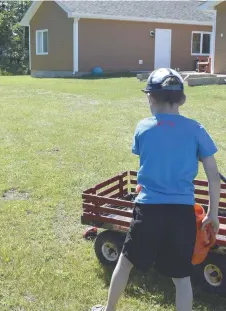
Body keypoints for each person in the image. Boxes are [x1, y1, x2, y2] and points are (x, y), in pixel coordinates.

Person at [92, 68, 220, 311]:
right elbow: (214, 177)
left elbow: (146, 157)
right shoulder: (196, 129)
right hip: (182, 214)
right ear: (181, 99)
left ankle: (108, 310)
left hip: (148, 211)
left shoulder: (143, 127)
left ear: (150, 98)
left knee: (125, 262)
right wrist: (212, 215)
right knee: (182, 278)